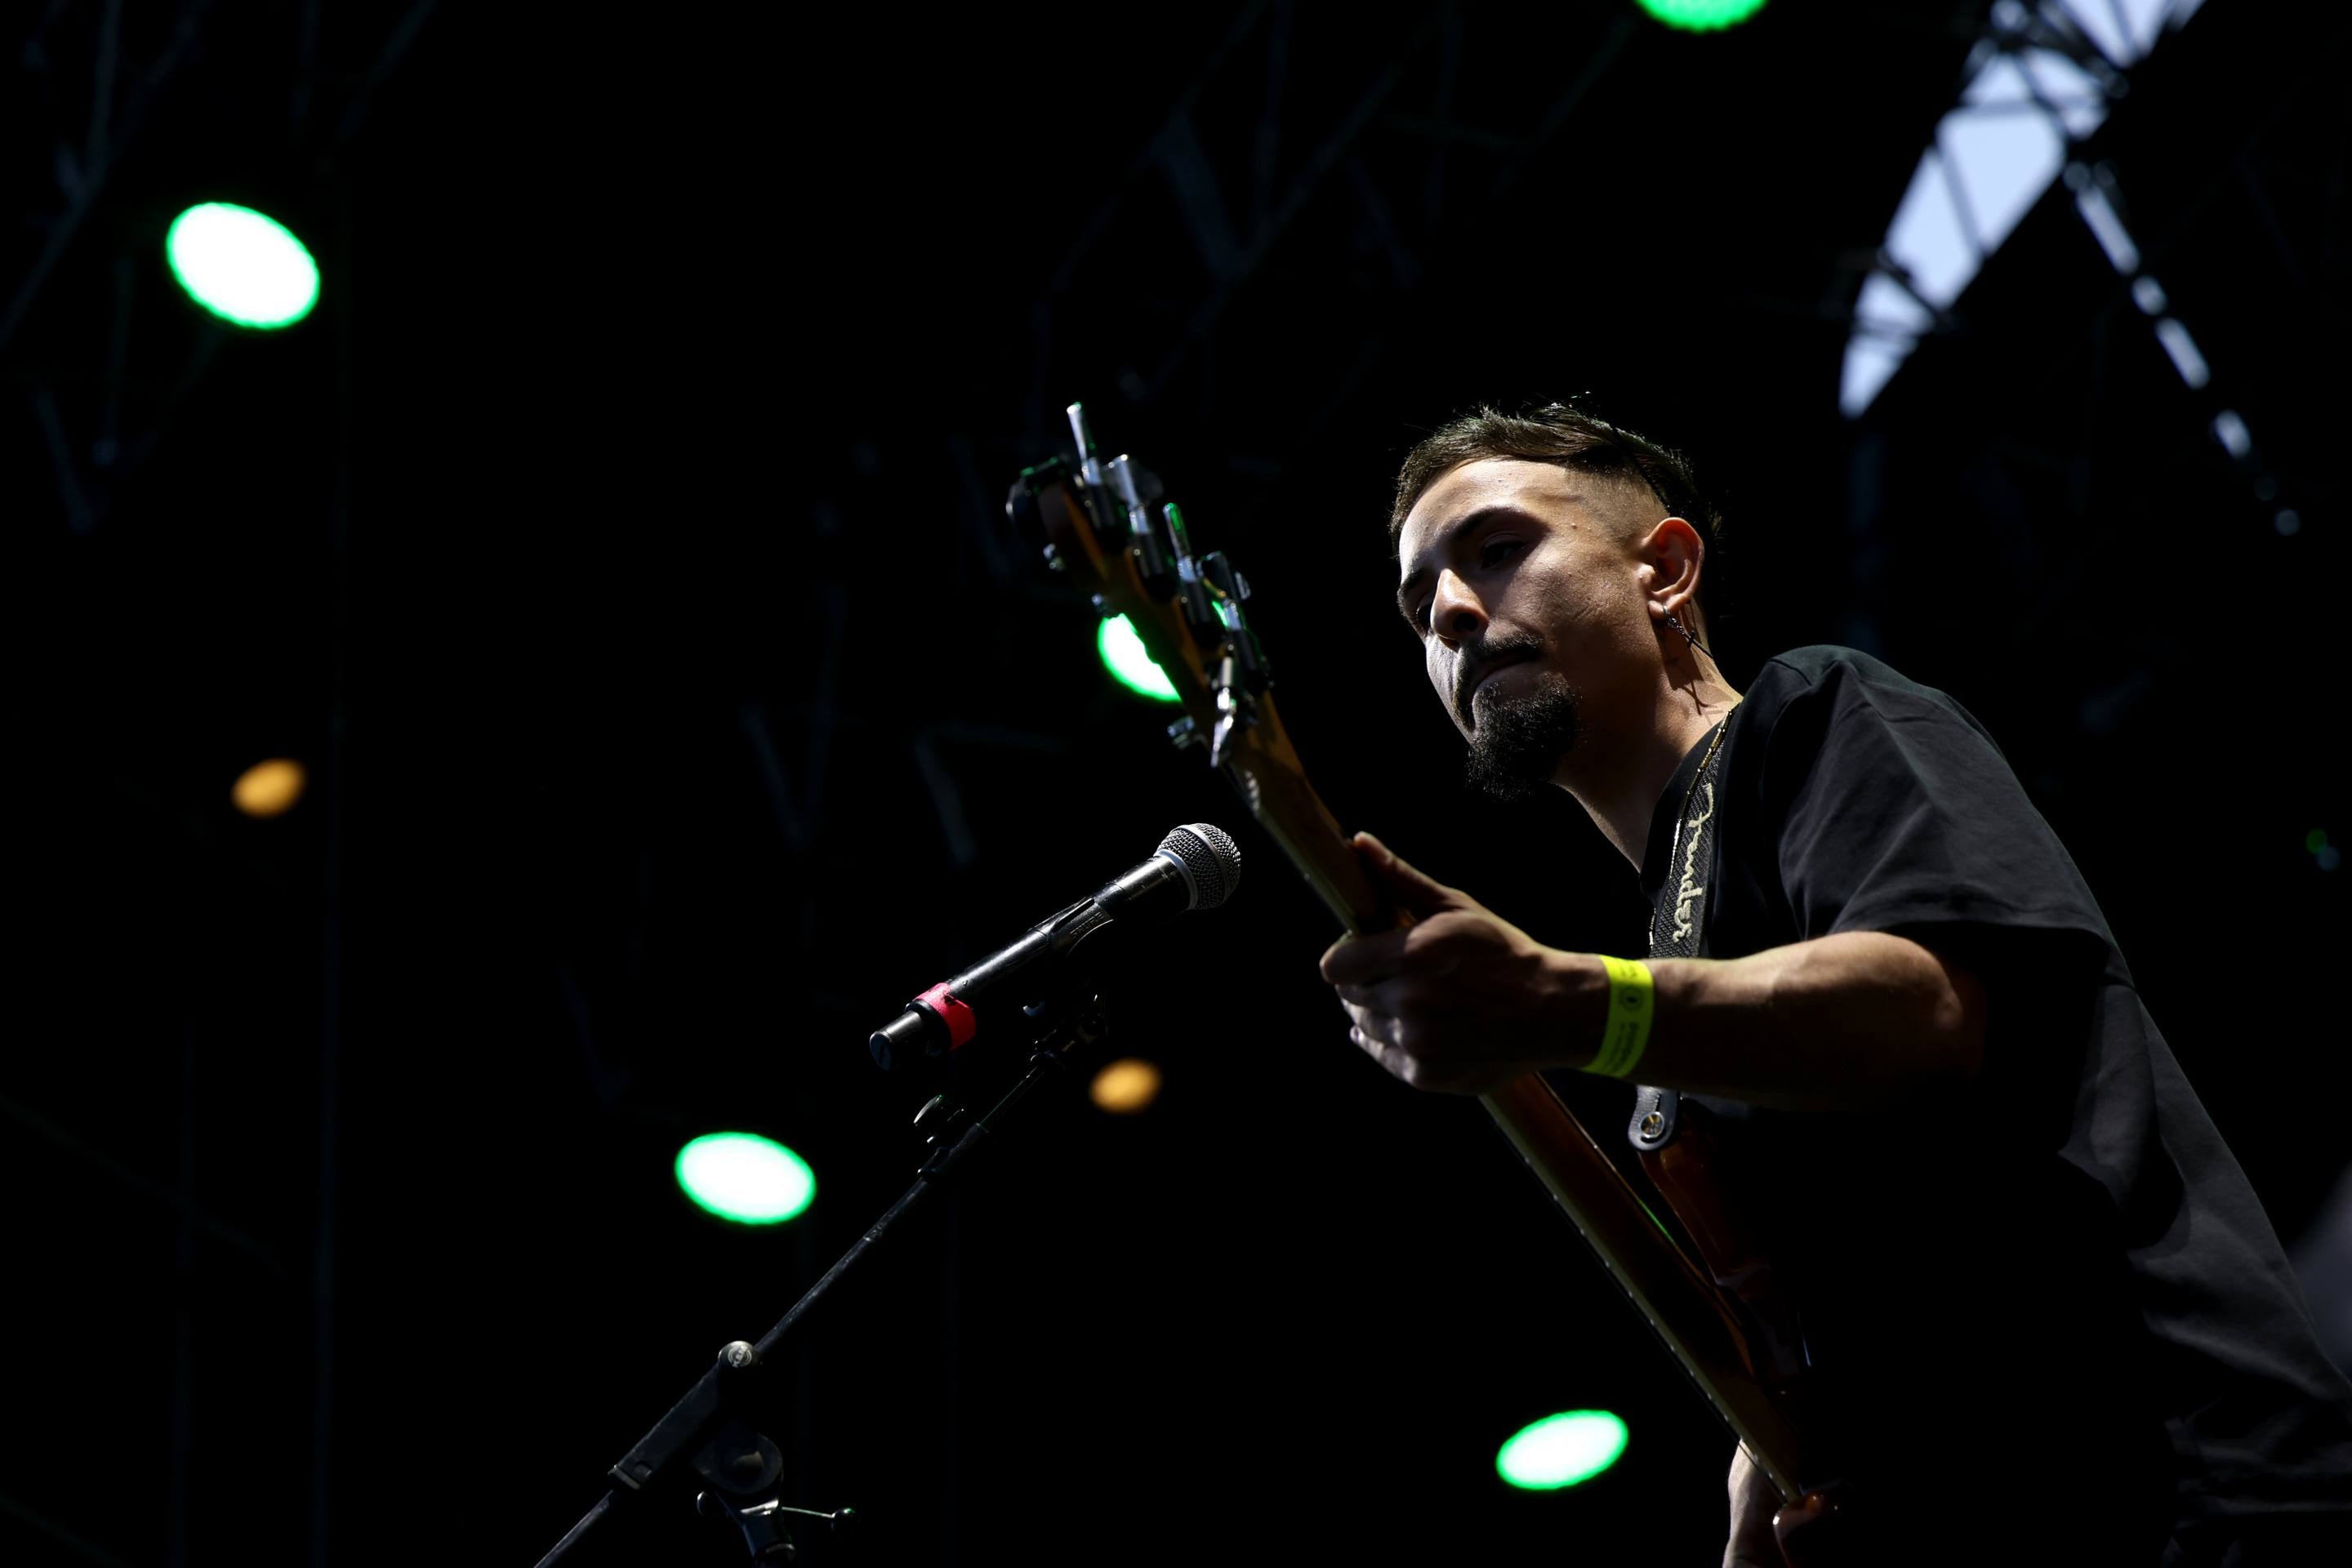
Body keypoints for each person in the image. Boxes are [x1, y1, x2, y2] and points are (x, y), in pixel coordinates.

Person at [1319, 403, 2352, 1566]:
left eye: (1499, 549)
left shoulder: (1816, 713)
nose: (1453, 613)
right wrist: (1786, 1442)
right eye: (1419, 604)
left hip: (2191, 1489)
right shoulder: (1675, 933)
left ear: (1665, 571)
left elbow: (1928, 1012)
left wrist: (1567, 1006)